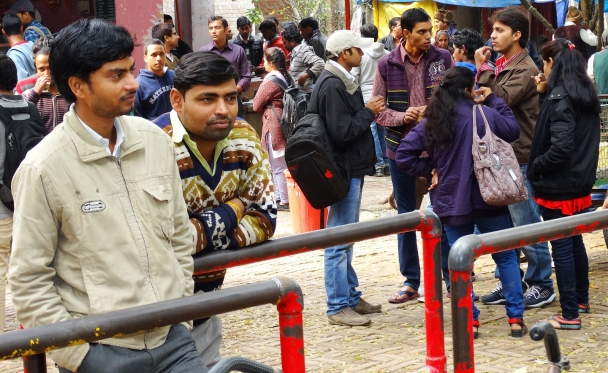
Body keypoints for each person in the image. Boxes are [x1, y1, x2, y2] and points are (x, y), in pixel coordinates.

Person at [7, 19, 205, 373]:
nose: (132, 83)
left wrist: (181, 316)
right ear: (78, 86)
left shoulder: (154, 140)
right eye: (116, 75)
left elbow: (178, 236)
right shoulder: (43, 168)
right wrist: (81, 358)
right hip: (102, 352)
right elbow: (28, 279)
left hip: (173, 343)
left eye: (131, 70)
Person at [153, 51, 276, 366]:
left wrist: (199, 232)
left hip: (207, 305)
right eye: (208, 99)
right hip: (152, 315)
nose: (224, 110)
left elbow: (265, 218)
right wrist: (233, 210)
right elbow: (161, 240)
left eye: (231, 98)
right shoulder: (153, 146)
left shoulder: (244, 137)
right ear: (177, 100)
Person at [396, 66, 526, 338]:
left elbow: (404, 155)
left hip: (450, 201)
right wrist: (492, 99)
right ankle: (515, 318)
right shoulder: (484, 113)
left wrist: (430, 168)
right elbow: (513, 129)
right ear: (469, 90)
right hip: (490, 197)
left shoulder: (433, 120)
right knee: (505, 256)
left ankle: (470, 320)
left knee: (461, 262)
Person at [475, 6, 555, 308]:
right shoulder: (502, 64)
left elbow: (501, 100)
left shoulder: (526, 68)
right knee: (504, 225)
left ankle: (541, 283)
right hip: (499, 155)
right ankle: (511, 280)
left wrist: (482, 70)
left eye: (499, 30)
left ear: (517, 34)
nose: (492, 35)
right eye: (493, 30)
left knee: (526, 221)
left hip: (519, 154)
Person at [372, 8, 452, 303]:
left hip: (440, 149)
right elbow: (378, 110)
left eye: (430, 31)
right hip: (400, 150)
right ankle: (411, 281)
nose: (429, 37)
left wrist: (433, 114)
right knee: (406, 216)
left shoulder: (443, 59)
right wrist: (404, 116)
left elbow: (455, 99)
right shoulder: (386, 64)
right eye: (422, 32)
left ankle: (449, 277)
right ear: (405, 33)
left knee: (445, 212)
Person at [313, 30, 385, 326]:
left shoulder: (341, 79)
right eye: (358, 50)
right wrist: (368, 112)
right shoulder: (332, 85)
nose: (362, 54)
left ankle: (350, 296)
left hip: (350, 168)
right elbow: (341, 133)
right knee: (339, 238)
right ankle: (337, 305)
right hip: (343, 170)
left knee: (347, 237)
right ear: (345, 53)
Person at [528, 39, 601, 330]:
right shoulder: (586, 93)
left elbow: (560, 147)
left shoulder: (561, 98)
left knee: (562, 246)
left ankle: (569, 314)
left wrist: (535, 167)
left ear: (551, 64)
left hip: (559, 185)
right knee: (574, 240)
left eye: (545, 63)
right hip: (580, 183)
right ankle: (580, 300)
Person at [253, 47, 293, 210]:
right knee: (279, 163)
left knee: (277, 165)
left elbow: (256, 104)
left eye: (265, 60)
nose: (263, 63)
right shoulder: (286, 77)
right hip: (282, 120)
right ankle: (278, 197)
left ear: (271, 63)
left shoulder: (271, 80)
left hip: (274, 123)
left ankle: (283, 199)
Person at [0, 56, 21, 336]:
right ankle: (30, 329)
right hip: (27, 206)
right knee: (26, 273)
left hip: (3, 209)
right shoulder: (28, 106)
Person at [352, 23, 389, 177]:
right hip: (384, 96)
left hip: (367, 97)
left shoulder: (361, 54)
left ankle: (379, 163)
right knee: (382, 128)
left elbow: (354, 77)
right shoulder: (387, 53)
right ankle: (386, 160)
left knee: (372, 129)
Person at [199, 16, 251, 117]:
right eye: (211, 28)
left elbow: (246, 76)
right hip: (210, 103)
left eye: (217, 28)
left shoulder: (238, 51)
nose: (213, 31)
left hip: (233, 101)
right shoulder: (203, 53)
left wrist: (231, 91)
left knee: (238, 130)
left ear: (226, 30)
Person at [22, 39, 69, 132]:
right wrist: (35, 93)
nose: (46, 73)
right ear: (36, 70)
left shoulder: (69, 93)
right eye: (41, 69)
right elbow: (21, 117)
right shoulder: (29, 95)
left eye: (50, 68)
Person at [134, 38, 174, 120]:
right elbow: (137, 118)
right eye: (154, 55)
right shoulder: (138, 85)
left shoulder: (174, 76)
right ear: (145, 58)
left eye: (162, 54)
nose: (159, 58)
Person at [282, 25, 324, 94]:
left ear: (292, 41)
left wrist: (305, 76)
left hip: (304, 95)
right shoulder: (296, 52)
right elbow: (300, 63)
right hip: (298, 94)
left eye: (285, 43)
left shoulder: (303, 51)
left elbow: (320, 63)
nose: (284, 46)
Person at [1, 14, 35, 81]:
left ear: (3, 31)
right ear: (21, 29)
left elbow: (20, 82)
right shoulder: (33, 45)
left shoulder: (13, 55)